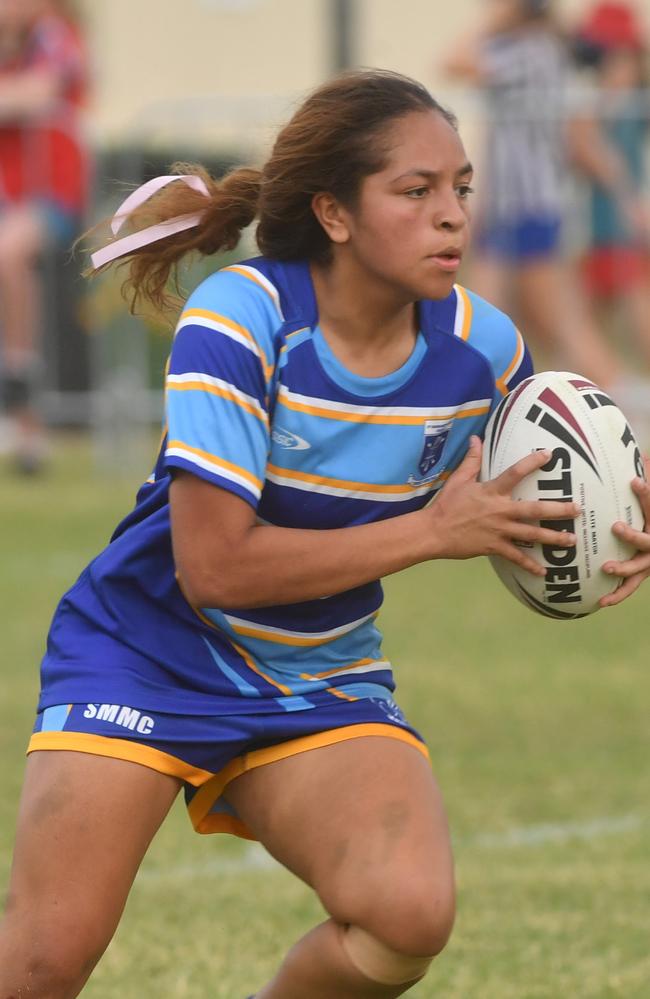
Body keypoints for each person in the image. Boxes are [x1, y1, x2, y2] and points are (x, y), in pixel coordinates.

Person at [1, 69, 649, 999]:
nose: (452, 216)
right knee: (38, 966)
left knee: (408, 913)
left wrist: (617, 517)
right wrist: (432, 532)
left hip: (315, 669)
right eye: (416, 191)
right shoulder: (241, 320)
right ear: (334, 215)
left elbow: (551, 473)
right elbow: (213, 567)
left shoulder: (486, 350)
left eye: (461, 188)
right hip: (144, 652)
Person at [443, 0, 622, 390]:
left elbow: (453, 60)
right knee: (489, 315)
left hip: (528, 206)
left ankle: (622, 406)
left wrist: (493, 23)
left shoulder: (528, 52)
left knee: (559, 322)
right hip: (511, 207)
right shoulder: (544, 49)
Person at [0, 0, 89, 473]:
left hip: (51, 195)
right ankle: (27, 435)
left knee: (10, 251)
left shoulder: (55, 37)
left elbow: (36, 94)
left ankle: (17, 377)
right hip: (9, 199)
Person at [569, 2, 650, 370]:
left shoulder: (630, 100)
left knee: (624, 310)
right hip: (602, 227)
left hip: (621, 228)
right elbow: (582, 144)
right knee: (584, 318)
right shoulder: (600, 100)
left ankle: (612, 386)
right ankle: (605, 387)